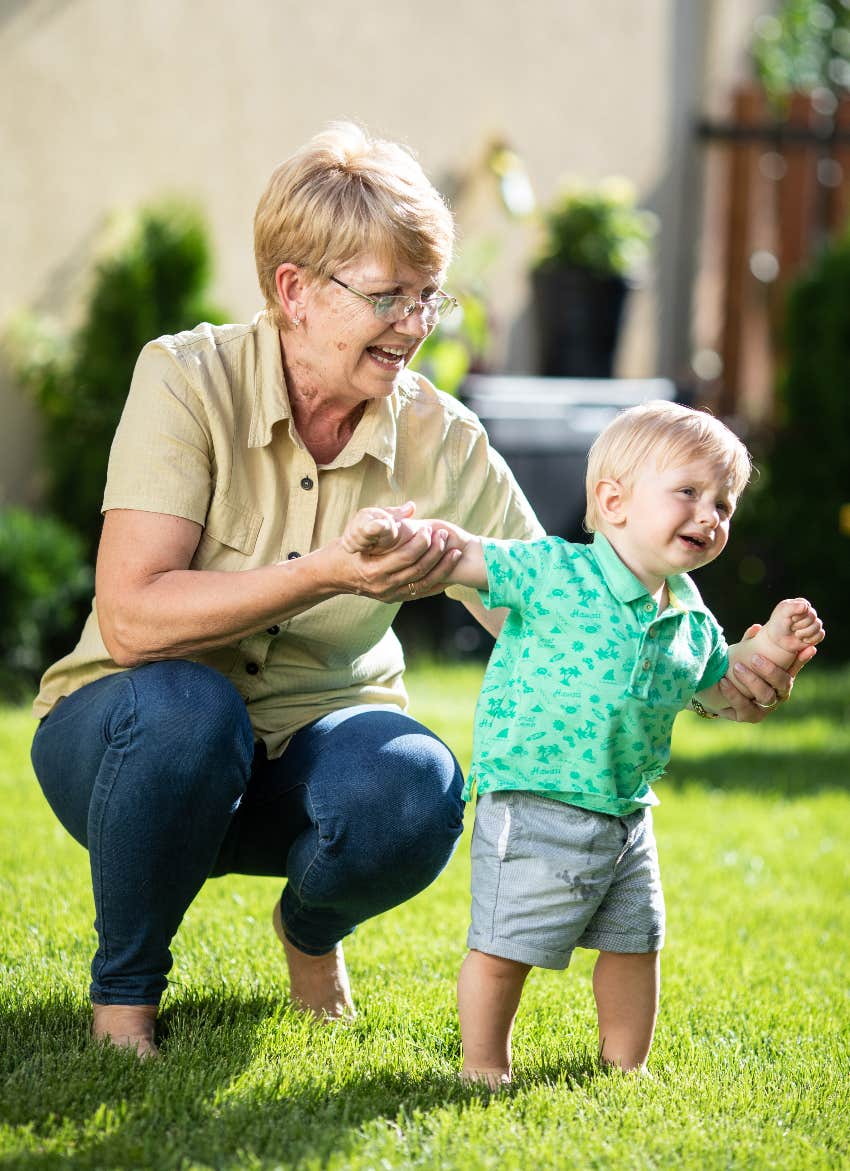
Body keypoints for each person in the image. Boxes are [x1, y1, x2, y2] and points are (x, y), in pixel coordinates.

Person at [30, 123, 800, 1060]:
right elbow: (134, 616)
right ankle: (126, 998)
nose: (414, 324)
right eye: (387, 296)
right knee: (189, 709)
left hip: (314, 746)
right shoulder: (187, 380)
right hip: (131, 743)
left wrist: (722, 660)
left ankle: (310, 935)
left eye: (427, 296)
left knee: (416, 786)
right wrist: (325, 572)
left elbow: (576, 586)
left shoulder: (440, 433)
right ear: (295, 292)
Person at [343, 399, 824, 1084]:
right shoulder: (555, 570)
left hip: (627, 812)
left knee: (636, 944)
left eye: (724, 502)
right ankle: (483, 1064)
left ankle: (624, 1066)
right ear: (613, 499)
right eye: (688, 491)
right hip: (535, 798)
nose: (710, 514)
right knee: (505, 944)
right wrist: (398, 535)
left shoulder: (688, 616)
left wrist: (773, 644)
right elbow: (468, 555)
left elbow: (722, 687)